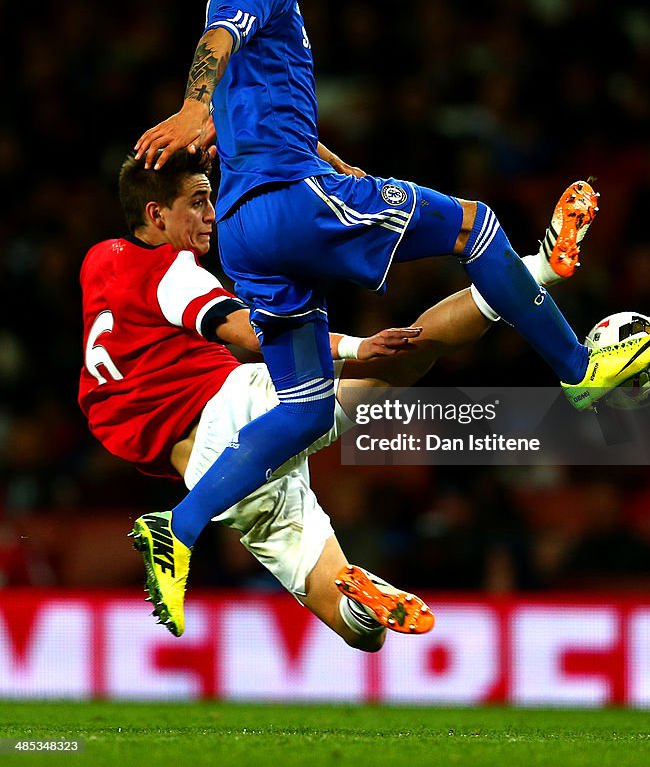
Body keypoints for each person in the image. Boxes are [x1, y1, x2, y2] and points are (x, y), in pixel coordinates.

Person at [132, 0, 650, 636]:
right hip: (291, 204)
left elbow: (261, 102)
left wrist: (335, 162)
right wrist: (189, 106)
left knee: (308, 408)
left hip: (248, 232)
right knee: (475, 224)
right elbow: (218, 41)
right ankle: (579, 372)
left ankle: (176, 530)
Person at [80, 152, 599, 641]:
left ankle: (360, 603)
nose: (212, 214)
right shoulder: (172, 274)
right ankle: (538, 269)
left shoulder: (98, 262)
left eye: (210, 198)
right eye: (197, 202)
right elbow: (244, 331)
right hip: (235, 411)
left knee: (358, 634)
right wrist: (354, 347)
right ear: (155, 213)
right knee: (401, 359)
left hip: (219, 474)